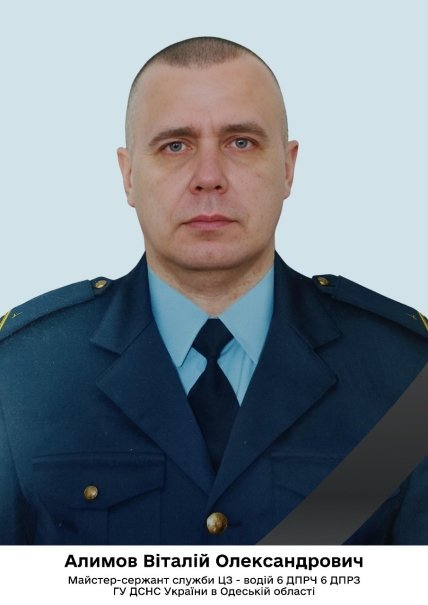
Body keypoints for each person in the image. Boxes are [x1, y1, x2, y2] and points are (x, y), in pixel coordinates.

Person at [0, 36, 427, 546]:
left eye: (240, 142)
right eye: (175, 146)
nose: (208, 177)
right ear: (129, 176)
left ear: (288, 168)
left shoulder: (402, 373)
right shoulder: (22, 374)